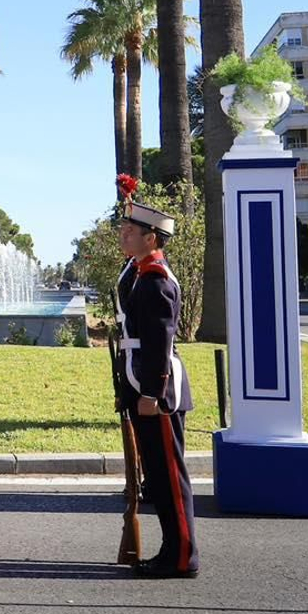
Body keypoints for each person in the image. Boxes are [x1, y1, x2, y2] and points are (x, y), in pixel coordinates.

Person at [115, 199, 198, 580]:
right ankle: (171, 547)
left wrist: (151, 393)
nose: (123, 234)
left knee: (168, 475)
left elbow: (159, 344)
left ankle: (181, 556)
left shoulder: (158, 280)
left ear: (151, 238)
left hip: (157, 391)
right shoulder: (137, 271)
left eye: (130, 231)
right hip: (138, 384)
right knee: (156, 478)